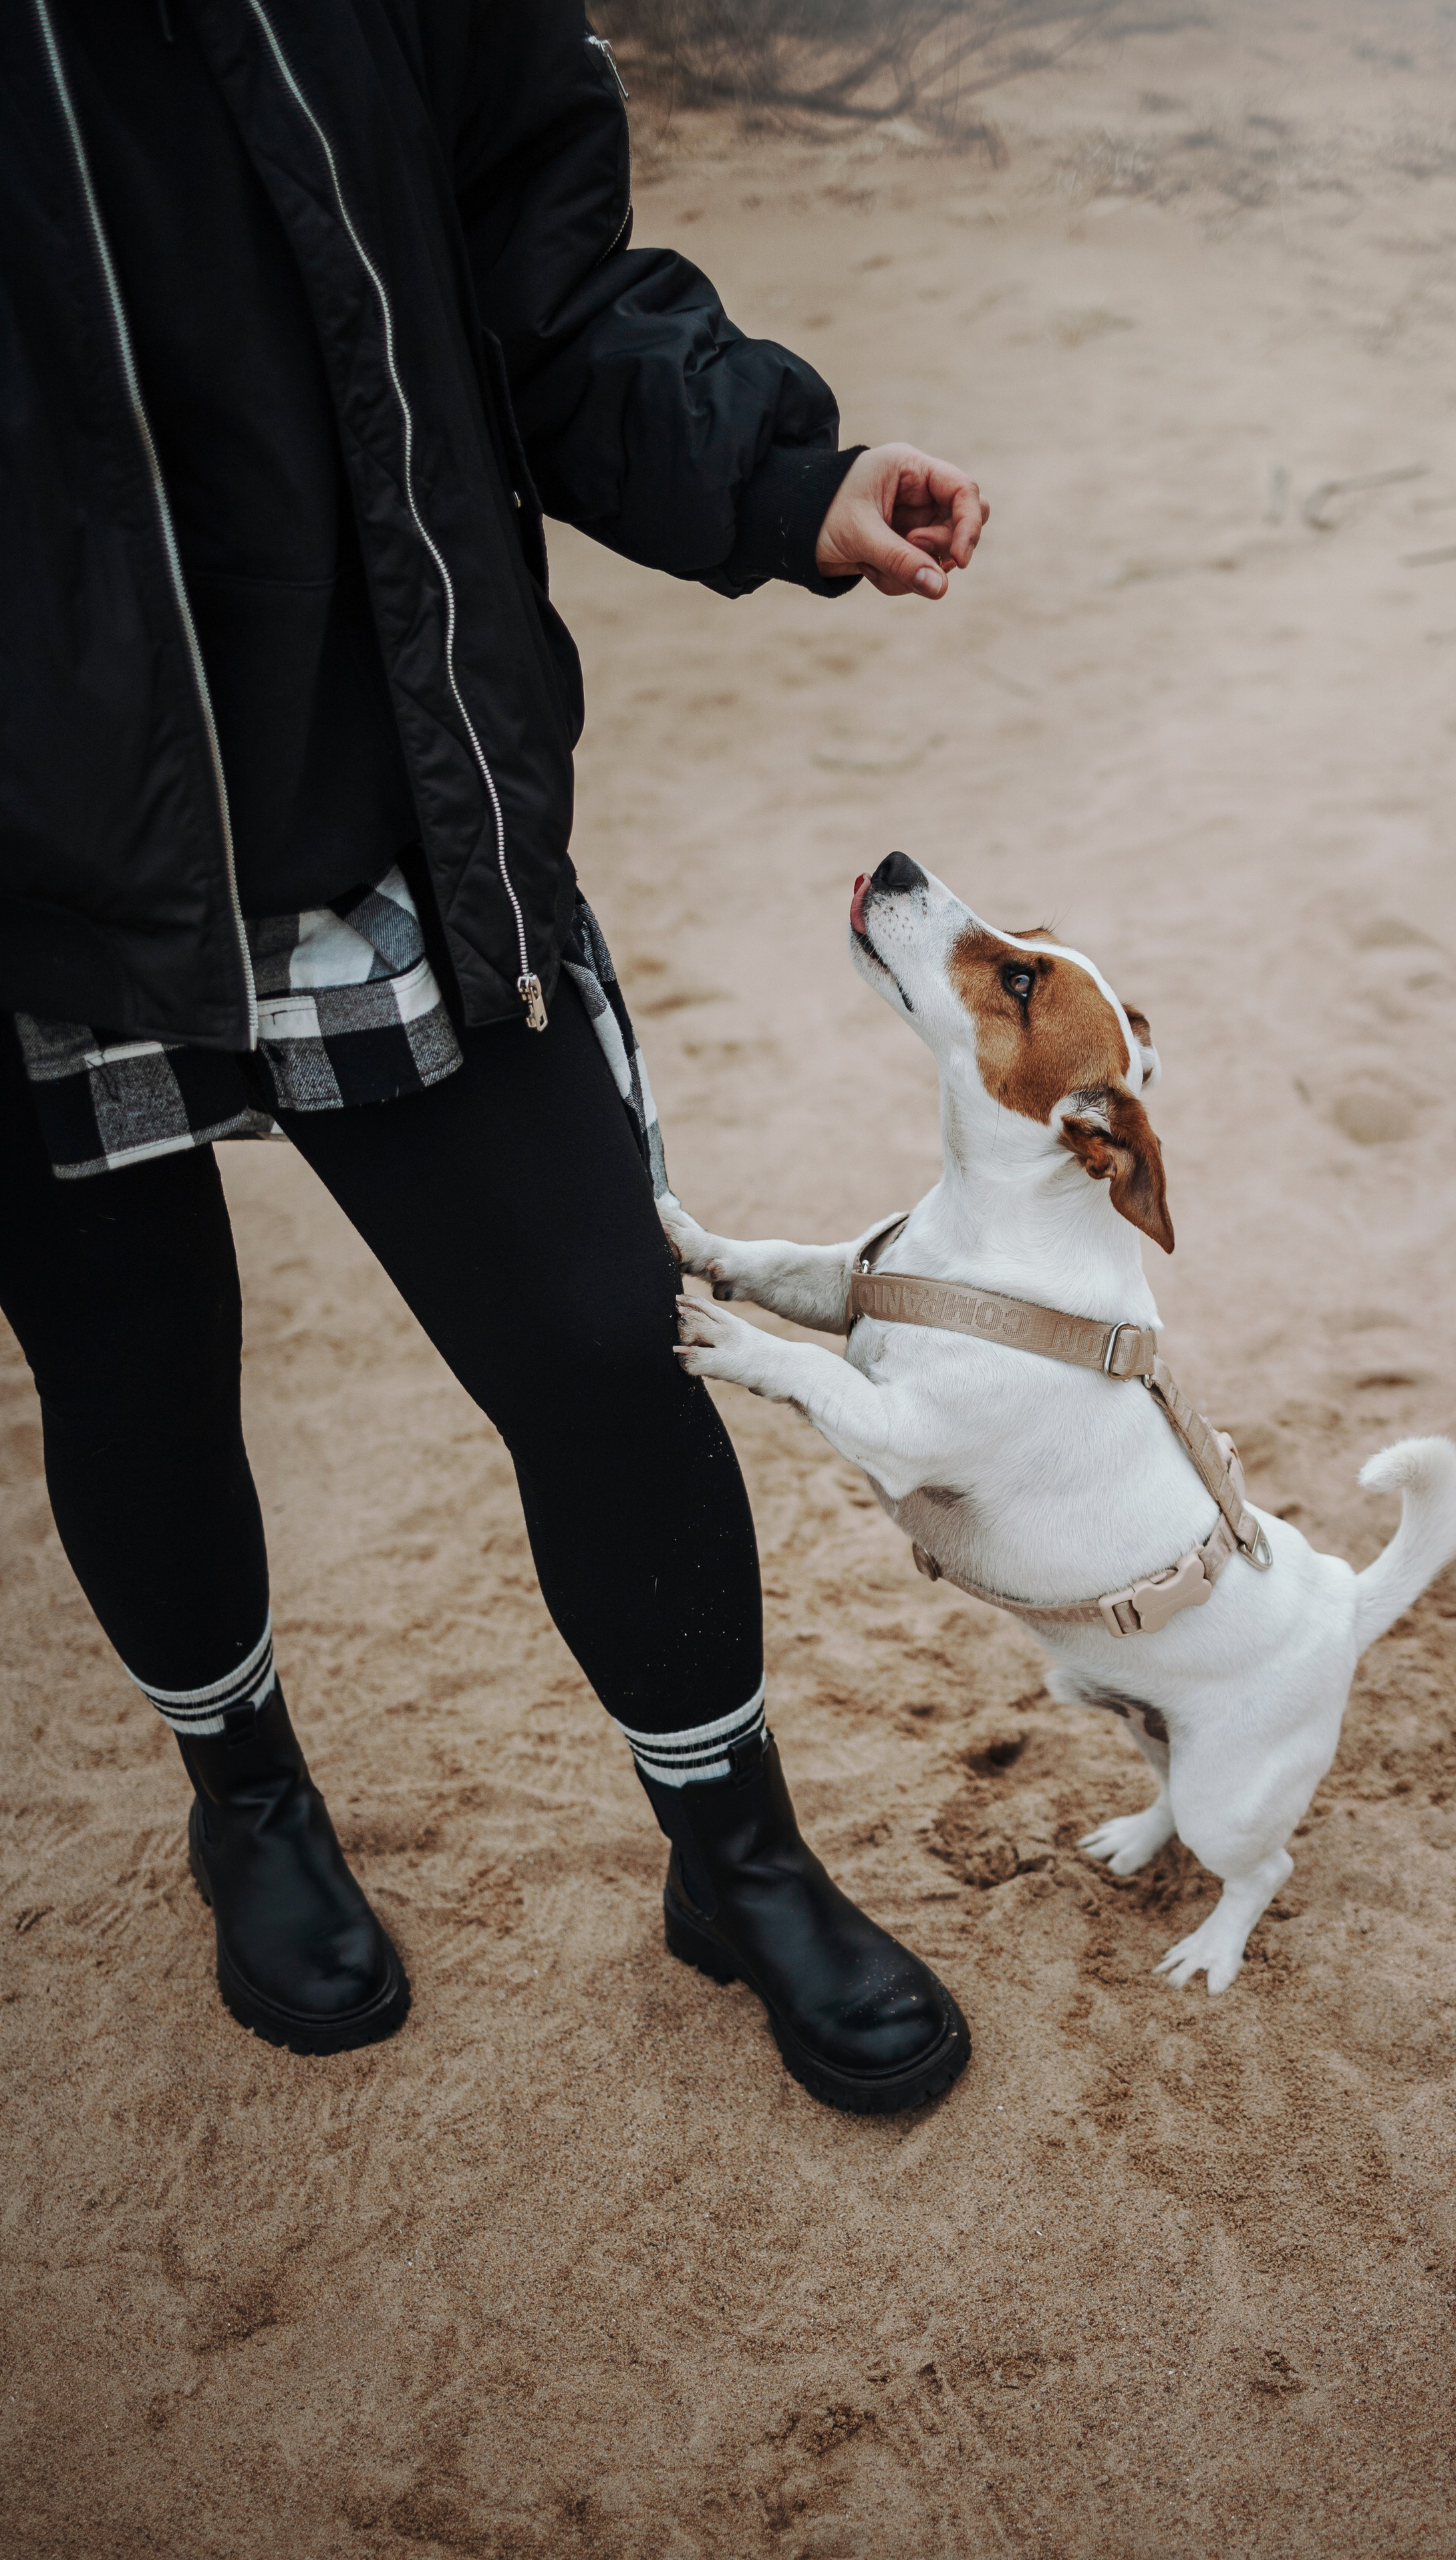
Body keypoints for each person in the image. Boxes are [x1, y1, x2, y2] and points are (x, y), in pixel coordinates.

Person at [0, 0, 986, 2114]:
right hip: (34, 873)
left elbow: (544, 279)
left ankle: (737, 1854)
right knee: (132, 1372)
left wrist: (774, 475)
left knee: (602, 1343)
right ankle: (245, 1795)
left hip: (382, 798)